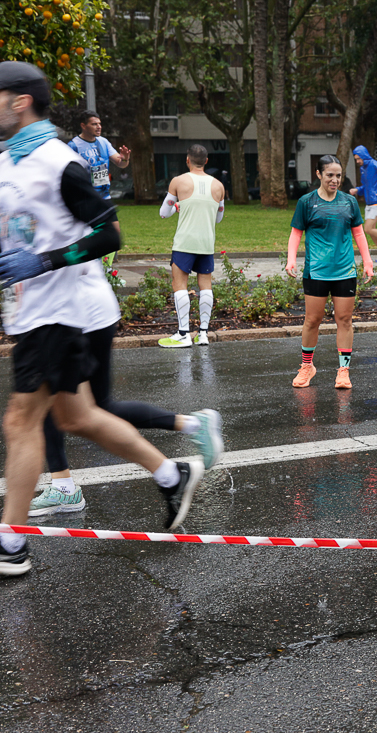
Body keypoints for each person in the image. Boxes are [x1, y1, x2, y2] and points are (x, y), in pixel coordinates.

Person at [0, 62, 206, 575]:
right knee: (76, 416)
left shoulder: (58, 162)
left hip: (57, 311)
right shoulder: (7, 161)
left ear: (20, 101)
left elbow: (109, 234)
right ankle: (171, 475)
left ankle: (10, 543)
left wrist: (43, 262)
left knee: (21, 420)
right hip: (30, 310)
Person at [31, 260, 224, 515]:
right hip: (85, 310)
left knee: (53, 402)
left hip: (74, 314)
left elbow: (105, 240)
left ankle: (65, 488)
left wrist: (40, 262)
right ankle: (193, 428)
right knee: (94, 408)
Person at [285, 155, 373, 389]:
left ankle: (343, 371)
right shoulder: (306, 202)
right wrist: (291, 259)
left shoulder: (349, 202)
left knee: (344, 320)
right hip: (316, 271)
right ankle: (307, 366)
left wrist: (367, 261)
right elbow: (296, 233)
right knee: (312, 320)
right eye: (330, 175)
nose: (335, 180)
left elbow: (359, 233)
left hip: (345, 271)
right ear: (318, 175)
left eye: (338, 176)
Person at [157, 145, 225, 348]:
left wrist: (177, 206)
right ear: (206, 161)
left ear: (187, 160)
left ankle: (183, 334)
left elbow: (164, 213)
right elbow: (218, 218)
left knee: (180, 286)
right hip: (206, 243)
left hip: (185, 242)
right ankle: (203, 334)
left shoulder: (178, 181)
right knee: (206, 286)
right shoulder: (219, 186)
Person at [68, 109, 130, 200]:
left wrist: (125, 158)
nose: (99, 127)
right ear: (83, 126)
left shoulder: (103, 142)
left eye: (99, 124)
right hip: (85, 197)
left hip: (104, 196)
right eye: (94, 124)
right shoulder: (73, 145)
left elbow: (121, 164)